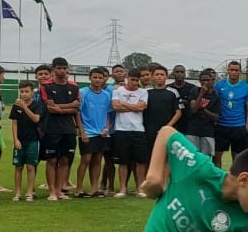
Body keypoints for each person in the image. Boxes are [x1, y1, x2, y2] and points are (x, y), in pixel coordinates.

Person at [42, 57, 81, 201]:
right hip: (52, 129)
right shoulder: (46, 86)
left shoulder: (74, 87)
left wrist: (61, 108)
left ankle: (59, 191)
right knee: (52, 160)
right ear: (53, 69)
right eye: (59, 68)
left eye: (65, 68)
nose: (62, 71)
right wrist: (69, 107)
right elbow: (50, 108)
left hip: (69, 129)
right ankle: (52, 191)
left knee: (65, 160)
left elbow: (76, 106)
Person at [111, 68, 150, 197]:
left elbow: (141, 108)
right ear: (127, 78)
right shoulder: (118, 90)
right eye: (132, 80)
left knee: (140, 161)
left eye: (137, 80)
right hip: (121, 130)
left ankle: (140, 188)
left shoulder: (143, 92)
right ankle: (122, 189)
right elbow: (116, 107)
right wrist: (133, 107)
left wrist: (124, 103)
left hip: (138, 130)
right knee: (123, 162)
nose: (134, 83)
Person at [78, 66, 115, 197]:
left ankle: (94, 189)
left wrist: (106, 128)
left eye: (100, 77)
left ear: (104, 78)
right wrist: (82, 131)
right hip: (87, 132)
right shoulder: (83, 92)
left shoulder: (106, 95)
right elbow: (78, 113)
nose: (98, 80)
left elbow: (108, 114)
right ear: (90, 78)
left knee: (98, 160)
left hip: (102, 133)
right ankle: (79, 189)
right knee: (86, 159)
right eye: (95, 77)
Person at [213, 60, 248, 168]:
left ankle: (235, 183)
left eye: (236, 70)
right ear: (228, 71)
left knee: (237, 160)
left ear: (240, 71)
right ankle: (218, 183)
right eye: (232, 70)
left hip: (239, 127)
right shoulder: (219, 85)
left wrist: (247, 127)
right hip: (222, 126)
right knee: (216, 157)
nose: (234, 72)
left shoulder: (246, 87)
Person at [9, 80, 44, 202]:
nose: (24, 94)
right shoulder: (15, 106)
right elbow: (14, 123)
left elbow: (36, 119)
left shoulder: (37, 105)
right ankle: (17, 192)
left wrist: (24, 107)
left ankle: (30, 191)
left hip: (33, 140)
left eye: (26, 91)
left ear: (32, 92)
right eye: (21, 92)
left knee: (30, 166)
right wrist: (15, 139)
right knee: (18, 167)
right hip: (20, 141)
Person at [144, 65, 185, 149]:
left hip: (168, 130)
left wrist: (167, 127)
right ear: (152, 77)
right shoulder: (145, 91)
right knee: (149, 157)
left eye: (162, 75)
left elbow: (178, 113)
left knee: (167, 156)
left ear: (166, 77)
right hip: (148, 130)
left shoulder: (173, 92)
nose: (159, 77)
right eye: (157, 74)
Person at [182, 69, 217, 158]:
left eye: (208, 80)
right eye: (203, 80)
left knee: (206, 159)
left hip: (207, 131)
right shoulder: (194, 91)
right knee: (192, 157)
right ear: (200, 81)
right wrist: (201, 94)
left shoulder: (215, 95)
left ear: (211, 80)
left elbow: (216, 117)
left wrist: (204, 110)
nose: (205, 82)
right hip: (193, 130)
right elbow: (193, 109)